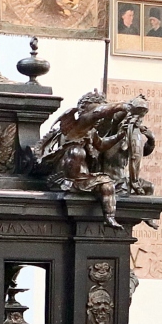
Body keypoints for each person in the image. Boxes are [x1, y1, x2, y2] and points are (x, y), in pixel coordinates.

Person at [33, 91, 137, 228]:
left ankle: (109, 217)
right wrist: (124, 106)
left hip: (83, 175)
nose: (100, 118)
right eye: (95, 109)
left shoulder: (90, 131)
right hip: (66, 175)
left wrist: (119, 135)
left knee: (107, 184)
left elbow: (101, 145)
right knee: (78, 151)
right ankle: (74, 184)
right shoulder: (78, 125)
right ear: (84, 110)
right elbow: (97, 113)